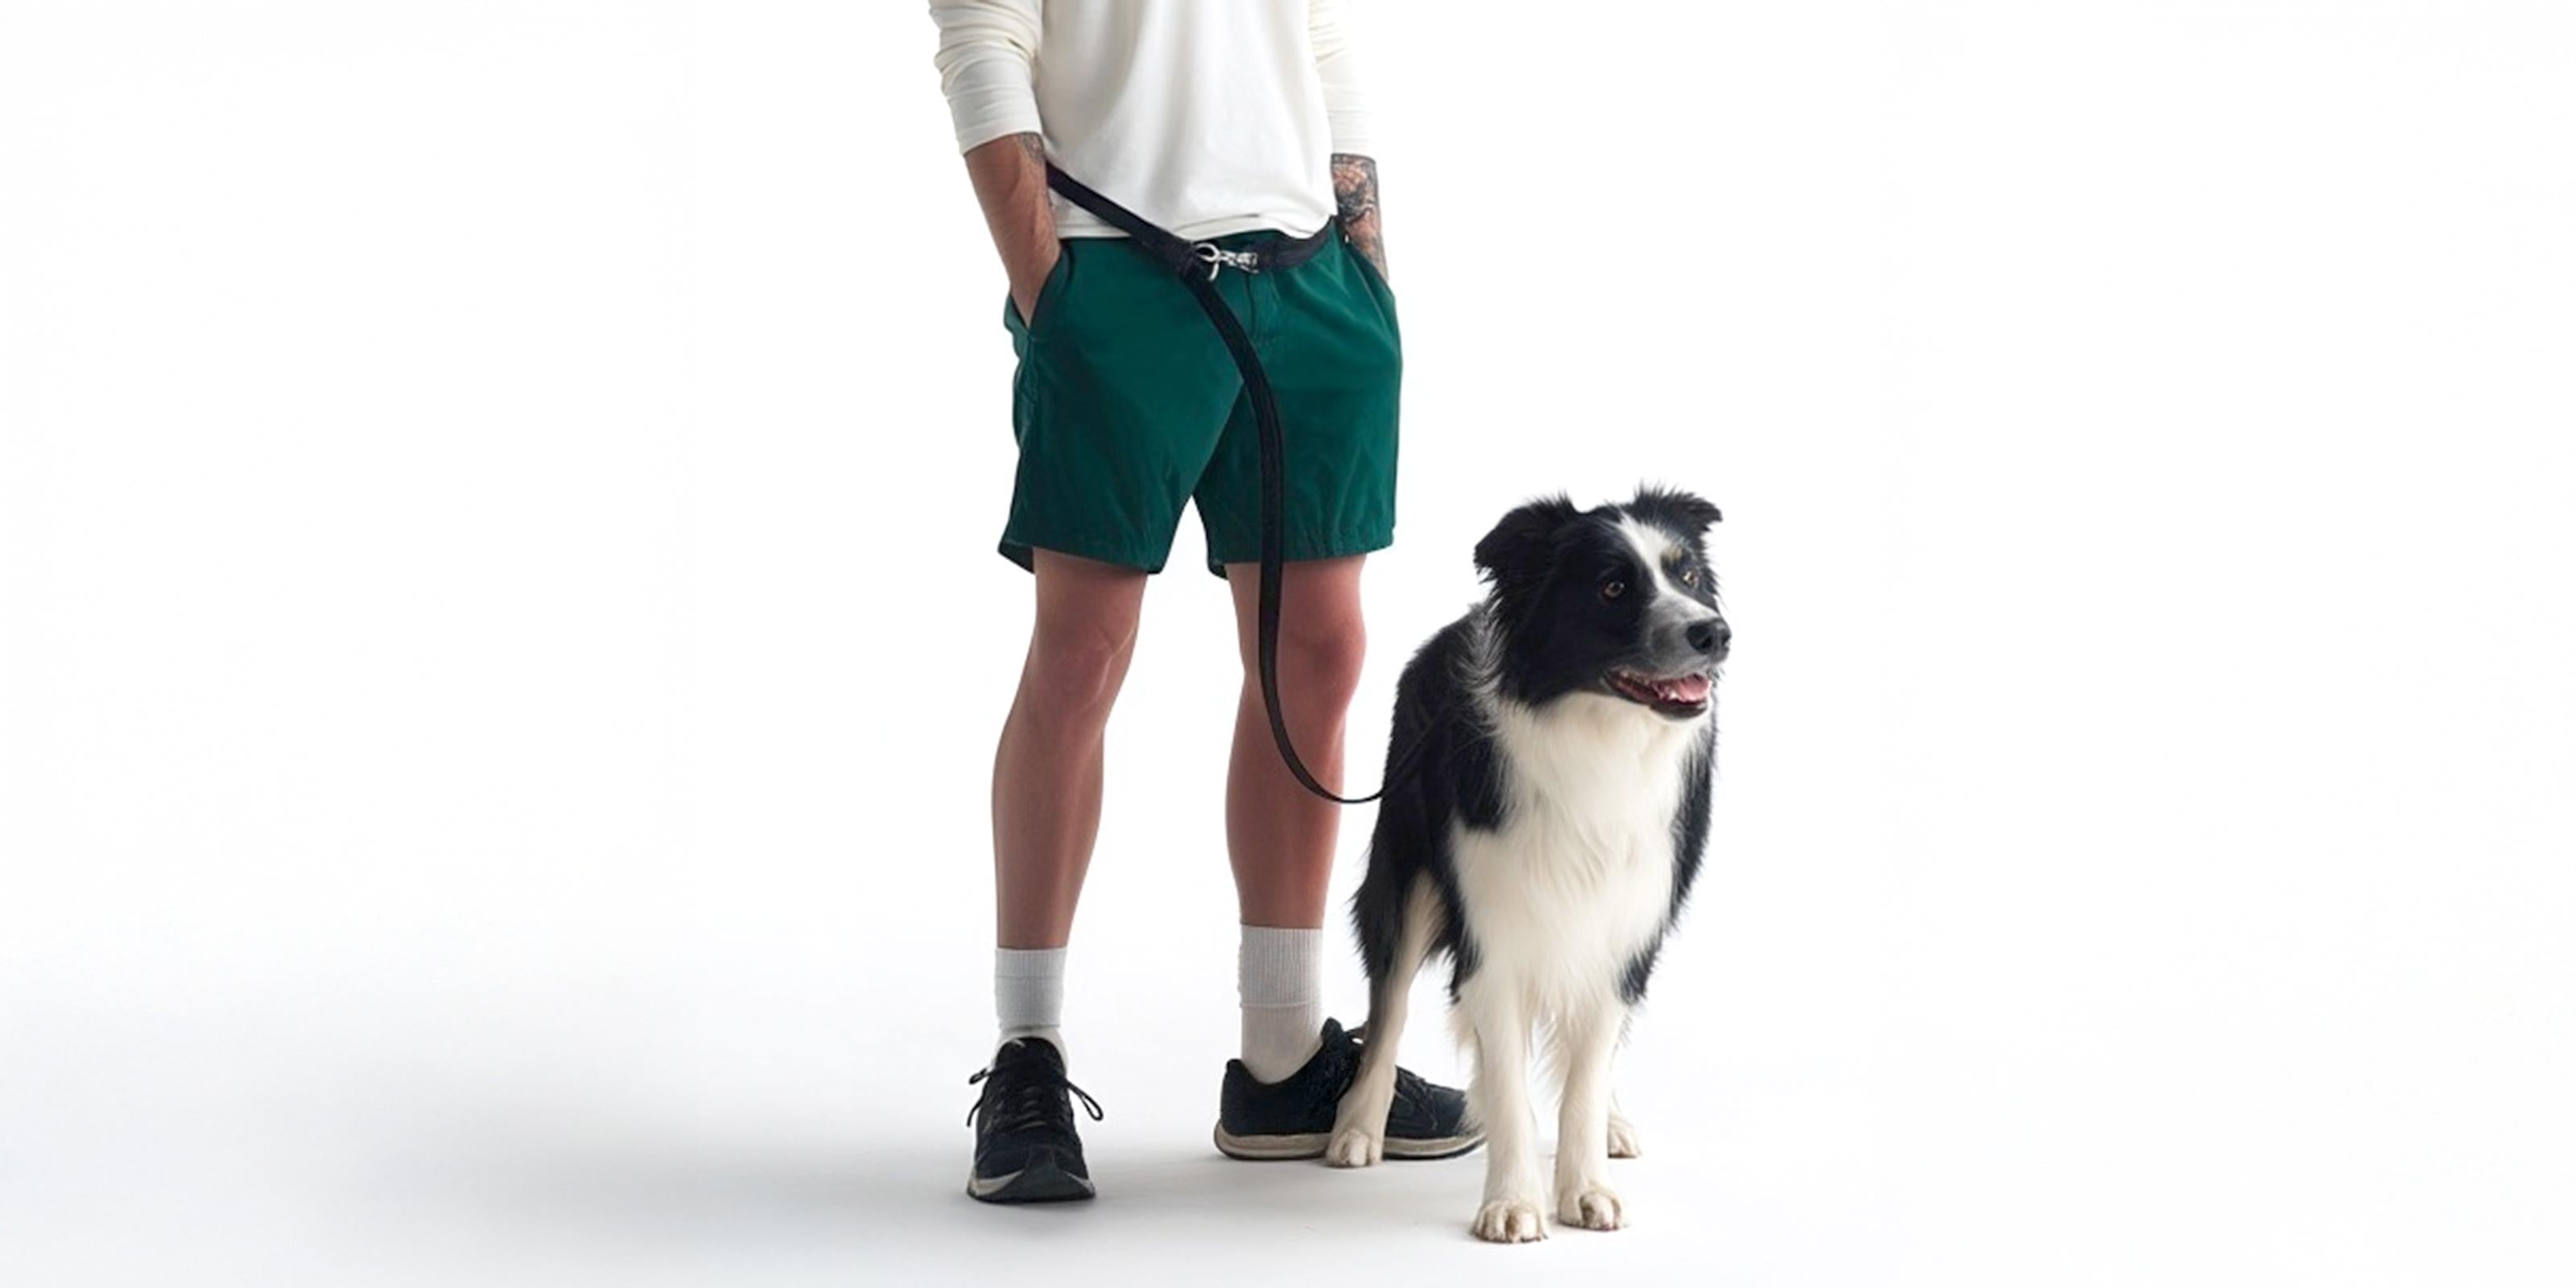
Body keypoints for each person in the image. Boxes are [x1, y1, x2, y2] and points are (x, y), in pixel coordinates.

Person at [929, 0, 1477, 1203]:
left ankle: (1283, 1056)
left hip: (1311, 278)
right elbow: (981, 45)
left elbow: (1321, 39)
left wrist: (1366, 267)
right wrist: (1051, 289)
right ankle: (1028, 1052)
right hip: (1115, 274)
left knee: (1321, 655)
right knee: (1081, 654)